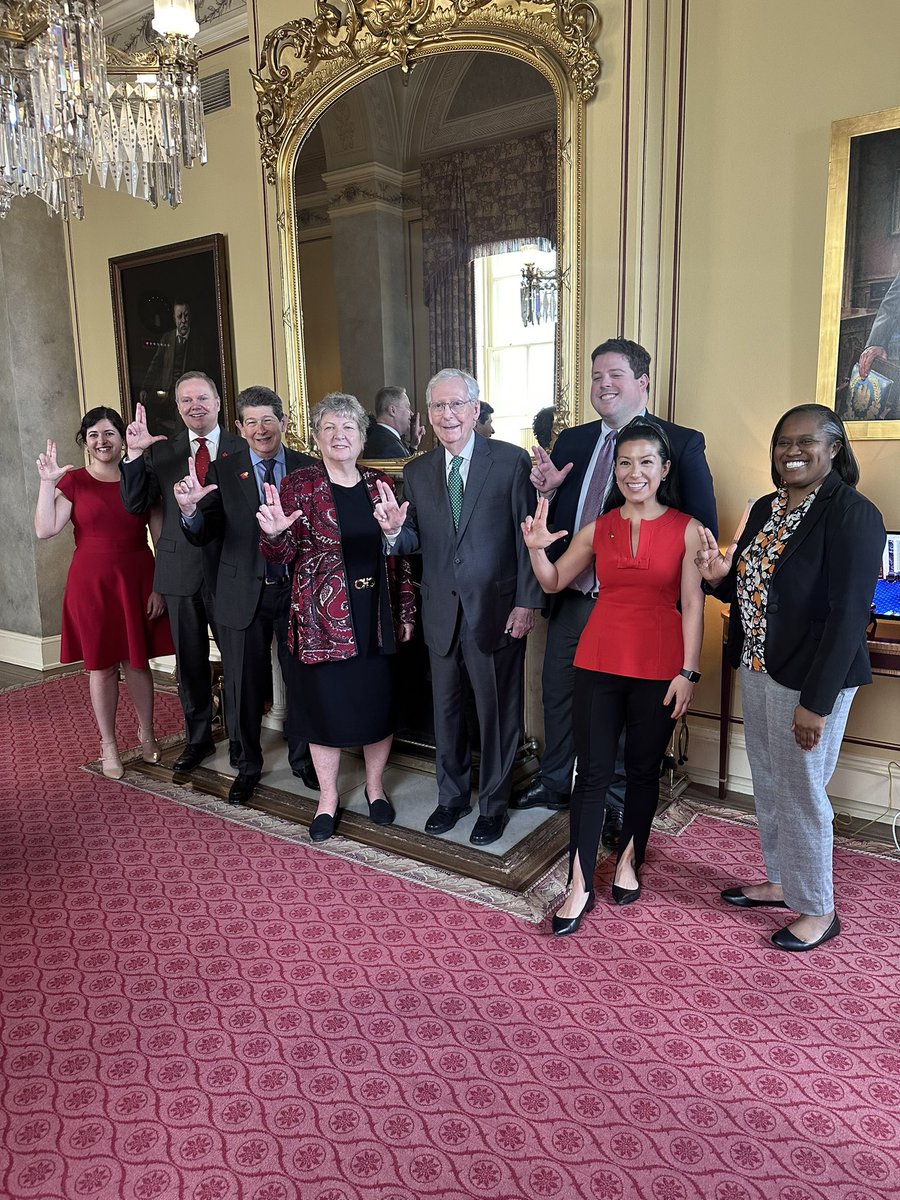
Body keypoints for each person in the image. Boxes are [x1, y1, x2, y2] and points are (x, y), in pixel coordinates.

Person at [513, 338, 717, 853]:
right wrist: (547, 490)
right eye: (596, 375)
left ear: (643, 381)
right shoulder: (573, 441)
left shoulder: (681, 442)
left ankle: (618, 803)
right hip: (578, 596)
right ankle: (558, 780)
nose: (604, 384)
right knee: (558, 692)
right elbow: (555, 526)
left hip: (644, 608)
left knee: (631, 714)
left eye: (616, 375)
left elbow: (700, 532)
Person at [696, 404, 884, 953]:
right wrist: (716, 581)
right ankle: (783, 882)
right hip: (759, 663)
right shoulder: (764, 507)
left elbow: (849, 615)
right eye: (783, 442)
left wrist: (816, 703)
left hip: (811, 679)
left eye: (806, 442)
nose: (791, 451)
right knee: (772, 782)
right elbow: (754, 591)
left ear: (834, 448)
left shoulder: (852, 514)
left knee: (802, 790)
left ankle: (819, 908)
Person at [523, 419, 704, 935]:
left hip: (660, 667)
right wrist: (537, 548)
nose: (634, 472)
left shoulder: (688, 528)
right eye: (624, 463)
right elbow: (555, 581)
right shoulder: (598, 528)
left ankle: (628, 860)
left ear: (664, 469)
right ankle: (579, 884)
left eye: (646, 462)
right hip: (597, 662)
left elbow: (692, 603)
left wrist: (689, 671)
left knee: (642, 771)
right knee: (592, 774)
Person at [373, 368, 543, 846]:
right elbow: (416, 540)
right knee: (445, 713)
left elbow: (525, 536)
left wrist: (528, 602)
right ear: (427, 417)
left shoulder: (509, 462)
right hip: (441, 614)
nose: (448, 415)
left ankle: (493, 805)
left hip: (498, 610)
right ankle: (451, 799)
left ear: (474, 409)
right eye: (438, 407)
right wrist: (392, 532)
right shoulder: (417, 470)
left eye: (456, 405)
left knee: (496, 715)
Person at [257, 393, 416, 841]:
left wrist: (405, 607)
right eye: (329, 428)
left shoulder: (379, 484)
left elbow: (397, 553)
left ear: (362, 437)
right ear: (316, 437)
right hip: (320, 619)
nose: (338, 436)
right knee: (324, 708)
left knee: (376, 703)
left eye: (348, 428)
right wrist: (271, 537)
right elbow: (282, 555)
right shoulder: (298, 486)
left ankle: (374, 787)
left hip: (376, 614)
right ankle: (327, 798)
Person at [174, 386, 316, 806]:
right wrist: (189, 513)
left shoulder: (309, 469)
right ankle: (247, 764)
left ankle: (304, 761)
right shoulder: (223, 470)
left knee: (303, 682)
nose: (260, 429)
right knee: (243, 686)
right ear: (239, 427)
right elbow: (206, 533)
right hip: (241, 595)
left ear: (284, 422)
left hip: (296, 593)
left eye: (268, 420)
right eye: (251, 421)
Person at [35, 408, 174, 779]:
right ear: (85, 440)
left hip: (137, 577)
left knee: (137, 662)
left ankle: (147, 734)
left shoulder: (144, 477)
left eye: (109, 433)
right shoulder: (75, 481)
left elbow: (160, 539)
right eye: (94, 434)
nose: (102, 441)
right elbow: (45, 529)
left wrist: (160, 587)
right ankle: (108, 744)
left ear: (122, 438)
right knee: (101, 667)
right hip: (91, 583)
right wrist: (47, 484)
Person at [121, 373, 242, 773]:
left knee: (240, 661)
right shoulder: (161, 452)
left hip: (232, 569)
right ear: (178, 407)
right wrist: (135, 456)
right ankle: (198, 738)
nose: (195, 406)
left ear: (218, 402)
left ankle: (242, 740)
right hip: (180, 569)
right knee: (190, 662)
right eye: (186, 401)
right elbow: (135, 503)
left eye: (202, 398)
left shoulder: (243, 447)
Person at [140, 300, 211, 438]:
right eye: (179, 316)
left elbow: (205, 371)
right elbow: (156, 365)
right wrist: (145, 387)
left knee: (180, 424)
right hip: (167, 391)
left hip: (189, 395)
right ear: (174, 318)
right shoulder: (167, 338)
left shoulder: (199, 340)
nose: (183, 320)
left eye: (186, 316)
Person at [362, 386, 424, 458]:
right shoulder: (386, 445)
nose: (411, 413)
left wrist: (414, 445)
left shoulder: (385, 437)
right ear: (392, 410)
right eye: (407, 407)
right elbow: (409, 468)